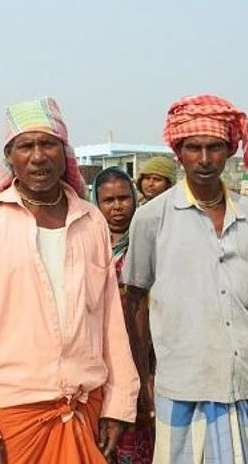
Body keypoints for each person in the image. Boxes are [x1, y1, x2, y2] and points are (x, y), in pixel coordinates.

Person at [0, 96, 139, 464]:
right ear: (10, 155)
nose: (38, 156)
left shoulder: (91, 221)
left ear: (64, 151)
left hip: (87, 408)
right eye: (26, 145)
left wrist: (118, 403)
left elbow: (111, 323)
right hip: (14, 417)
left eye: (48, 143)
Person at [122, 95, 248, 464]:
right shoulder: (153, 217)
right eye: (193, 148)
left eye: (214, 147)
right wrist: (143, 378)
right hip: (182, 383)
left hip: (243, 380)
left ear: (229, 151)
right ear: (178, 154)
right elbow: (135, 298)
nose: (204, 159)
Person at [91, 167, 155, 464]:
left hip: (144, 349)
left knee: (141, 424)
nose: (117, 207)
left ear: (135, 198)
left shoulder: (150, 242)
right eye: (108, 200)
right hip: (99, 354)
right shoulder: (88, 244)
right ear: (96, 202)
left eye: (123, 198)